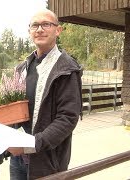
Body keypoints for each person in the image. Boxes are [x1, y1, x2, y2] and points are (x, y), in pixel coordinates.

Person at [8, 9, 83, 179]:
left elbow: (68, 118)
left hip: (47, 159)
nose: (40, 29)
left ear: (58, 30)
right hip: (18, 159)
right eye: (35, 25)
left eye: (46, 24)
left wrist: (32, 144)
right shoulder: (22, 68)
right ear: (29, 31)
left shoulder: (67, 69)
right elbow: (14, 110)